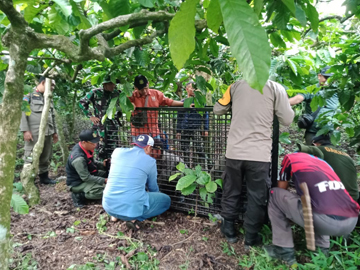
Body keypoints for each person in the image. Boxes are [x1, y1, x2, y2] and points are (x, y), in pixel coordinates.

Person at [213, 80, 294, 246]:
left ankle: (229, 230)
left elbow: (218, 109)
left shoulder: (235, 86)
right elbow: (287, 119)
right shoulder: (276, 88)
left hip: (234, 152)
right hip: (259, 155)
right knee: (256, 196)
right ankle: (251, 237)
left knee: (231, 189)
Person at [265, 152, 360, 265]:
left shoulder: (291, 158)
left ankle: (283, 249)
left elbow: (282, 188)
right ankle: (322, 250)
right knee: (321, 199)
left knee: (275, 194)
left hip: (325, 221)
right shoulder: (325, 164)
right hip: (351, 221)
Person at [102, 134, 171, 227]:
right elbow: (153, 188)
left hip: (108, 206)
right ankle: (134, 218)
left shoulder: (117, 152)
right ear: (148, 148)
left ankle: (114, 215)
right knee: (166, 201)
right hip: (131, 207)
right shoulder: (150, 161)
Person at [297, 134, 359, 201]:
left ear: (315, 144)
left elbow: (299, 151)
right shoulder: (346, 155)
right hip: (354, 198)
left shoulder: (319, 149)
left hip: (336, 199)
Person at [20, 77, 58, 185]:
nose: (53, 88)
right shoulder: (29, 95)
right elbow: (22, 113)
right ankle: (27, 180)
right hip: (34, 132)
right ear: (43, 83)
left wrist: (55, 132)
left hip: (48, 132)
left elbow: (52, 116)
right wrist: (25, 130)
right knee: (30, 156)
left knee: (46, 156)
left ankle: (44, 178)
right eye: (51, 85)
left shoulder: (48, 97)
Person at [289, 66, 339, 145]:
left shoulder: (337, 91)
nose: (327, 81)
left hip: (330, 133)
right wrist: (280, 103)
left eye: (331, 79)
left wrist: (338, 123)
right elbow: (298, 98)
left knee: (328, 155)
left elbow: (344, 108)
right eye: (326, 78)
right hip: (313, 132)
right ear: (319, 76)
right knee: (313, 155)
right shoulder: (312, 89)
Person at [128, 75, 185, 139]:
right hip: (138, 133)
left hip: (154, 132)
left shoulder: (156, 94)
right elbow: (123, 102)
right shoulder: (132, 96)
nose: (144, 91)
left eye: (145, 88)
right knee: (140, 149)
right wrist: (130, 104)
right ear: (135, 87)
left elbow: (169, 102)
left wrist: (184, 104)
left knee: (156, 148)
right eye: (141, 89)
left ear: (148, 84)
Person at [79, 76, 122, 160]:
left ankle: (112, 167)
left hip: (113, 126)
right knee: (100, 148)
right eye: (111, 83)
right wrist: (90, 116)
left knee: (114, 148)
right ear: (105, 84)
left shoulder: (117, 93)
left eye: (114, 83)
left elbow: (122, 105)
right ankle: (100, 168)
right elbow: (82, 103)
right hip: (100, 126)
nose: (113, 85)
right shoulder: (95, 92)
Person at [66, 130, 108, 207]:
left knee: (109, 173)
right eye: (93, 143)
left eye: (96, 142)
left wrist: (103, 165)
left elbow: (91, 162)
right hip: (78, 183)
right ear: (84, 142)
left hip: (90, 174)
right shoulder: (78, 159)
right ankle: (79, 195)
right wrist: (104, 180)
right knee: (104, 191)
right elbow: (86, 177)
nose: (95, 145)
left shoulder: (84, 148)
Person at [176, 81, 209, 168]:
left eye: (195, 88)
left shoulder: (200, 101)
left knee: (200, 150)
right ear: (187, 89)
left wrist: (206, 129)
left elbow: (205, 115)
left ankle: (203, 170)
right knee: (185, 151)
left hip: (196, 129)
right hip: (185, 129)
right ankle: (187, 171)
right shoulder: (183, 102)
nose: (193, 90)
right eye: (191, 87)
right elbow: (179, 117)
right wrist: (178, 131)